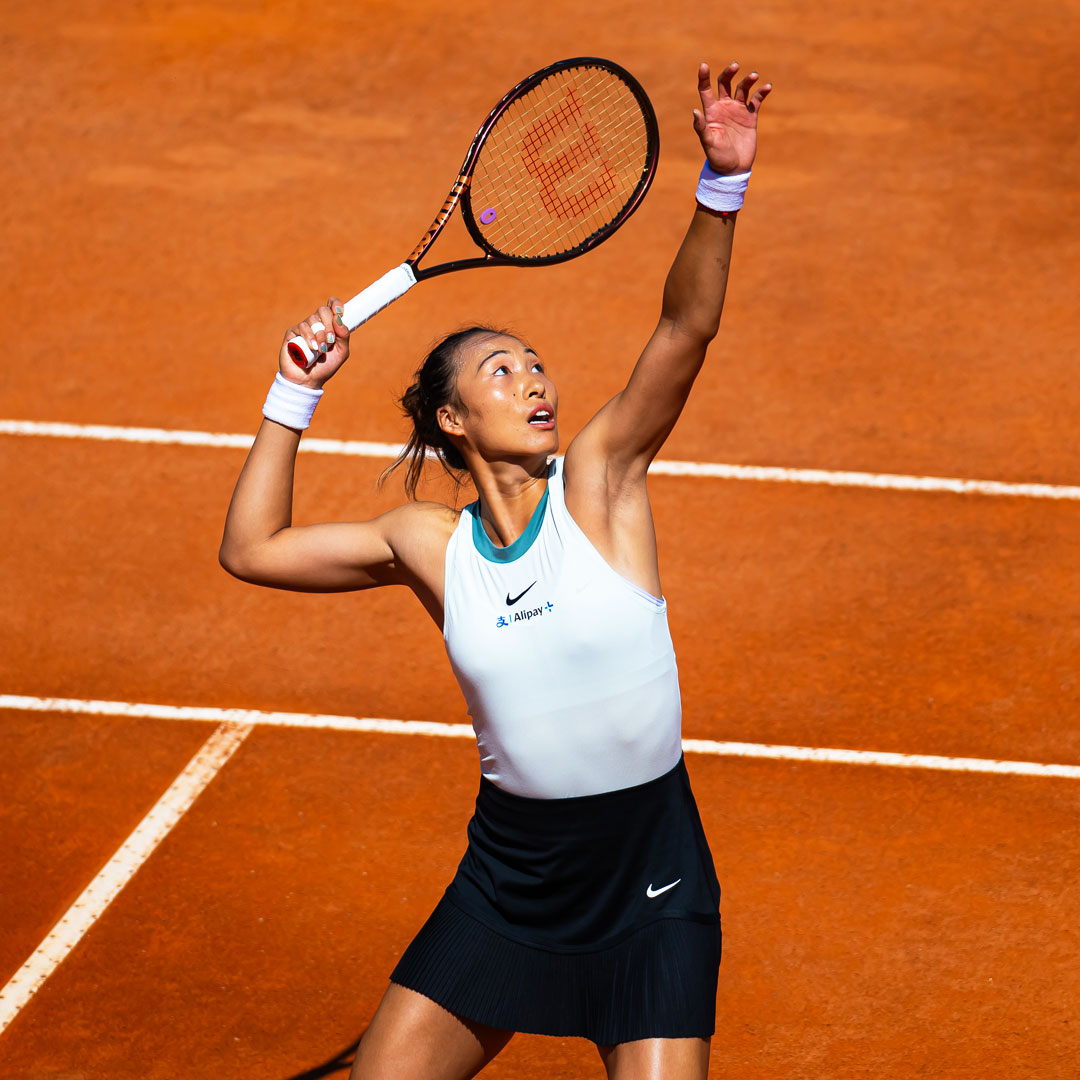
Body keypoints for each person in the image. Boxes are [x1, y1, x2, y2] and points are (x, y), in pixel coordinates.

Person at [220, 60, 770, 1080]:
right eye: (501, 372)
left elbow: (685, 328)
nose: (536, 381)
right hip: (511, 879)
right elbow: (251, 550)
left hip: (650, 877)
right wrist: (289, 395)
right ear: (452, 419)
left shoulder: (600, 484)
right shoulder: (428, 545)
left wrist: (722, 188)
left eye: (535, 363)